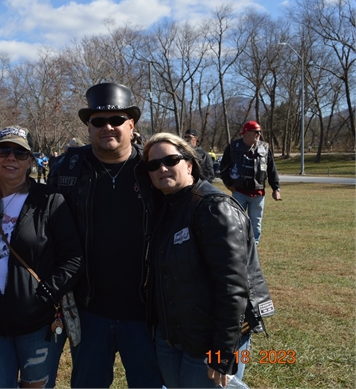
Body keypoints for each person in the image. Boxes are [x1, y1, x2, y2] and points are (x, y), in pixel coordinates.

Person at [48, 82, 163, 388]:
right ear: (88, 126)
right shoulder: (67, 170)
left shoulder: (153, 168)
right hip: (89, 310)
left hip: (144, 310)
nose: (107, 127)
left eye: (116, 120)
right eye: (98, 121)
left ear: (131, 124)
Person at [142, 132, 273, 388]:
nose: (163, 168)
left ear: (189, 164)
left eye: (171, 160)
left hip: (208, 344)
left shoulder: (213, 208)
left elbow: (234, 286)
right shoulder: (165, 209)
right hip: (172, 337)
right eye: (153, 164)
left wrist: (223, 351)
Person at [0, 126, 82, 388]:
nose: (11, 158)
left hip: (37, 324)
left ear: (30, 162)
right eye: (3, 150)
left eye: (20, 153)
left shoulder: (49, 201)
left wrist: (45, 294)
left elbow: (73, 258)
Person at [220, 121, 282, 245]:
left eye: (259, 132)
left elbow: (271, 169)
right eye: (256, 132)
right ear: (247, 133)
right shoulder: (233, 147)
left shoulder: (265, 147)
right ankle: (238, 246)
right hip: (239, 192)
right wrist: (229, 185)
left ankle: (254, 247)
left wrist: (276, 188)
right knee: (236, 221)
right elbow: (223, 168)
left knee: (256, 222)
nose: (259, 134)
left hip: (258, 193)